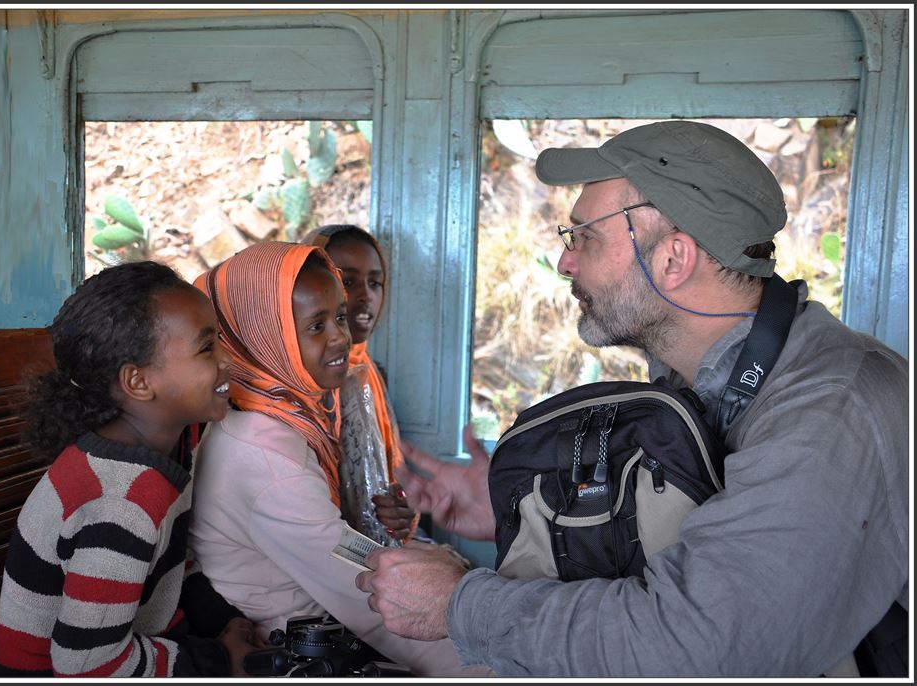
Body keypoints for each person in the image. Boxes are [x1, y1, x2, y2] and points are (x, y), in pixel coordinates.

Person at [355, 120, 909, 677]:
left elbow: (696, 645)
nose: (565, 262)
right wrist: (526, 510)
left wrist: (460, 606)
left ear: (673, 259)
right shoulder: (700, 380)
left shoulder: (828, 409)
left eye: (584, 237)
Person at [187, 241, 490, 677]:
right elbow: (364, 598)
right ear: (265, 336)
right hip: (307, 644)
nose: (340, 338)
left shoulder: (279, 418)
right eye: (315, 326)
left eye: (340, 317)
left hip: (332, 624)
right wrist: (491, 664)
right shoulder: (263, 451)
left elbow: (341, 546)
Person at [0, 261, 265, 678]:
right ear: (138, 383)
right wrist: (218, 661)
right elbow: (86, 666)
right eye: (207, 348)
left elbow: (169, 563)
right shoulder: (121, 502)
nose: (228, 360)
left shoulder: (171, 448)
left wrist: (219, 620)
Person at [302, 224, 419, 541]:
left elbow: (385, 485)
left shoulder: (369, 374)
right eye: (348, 281)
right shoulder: (297, 386)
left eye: (375, 283)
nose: (366, 295)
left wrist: (401, 511)